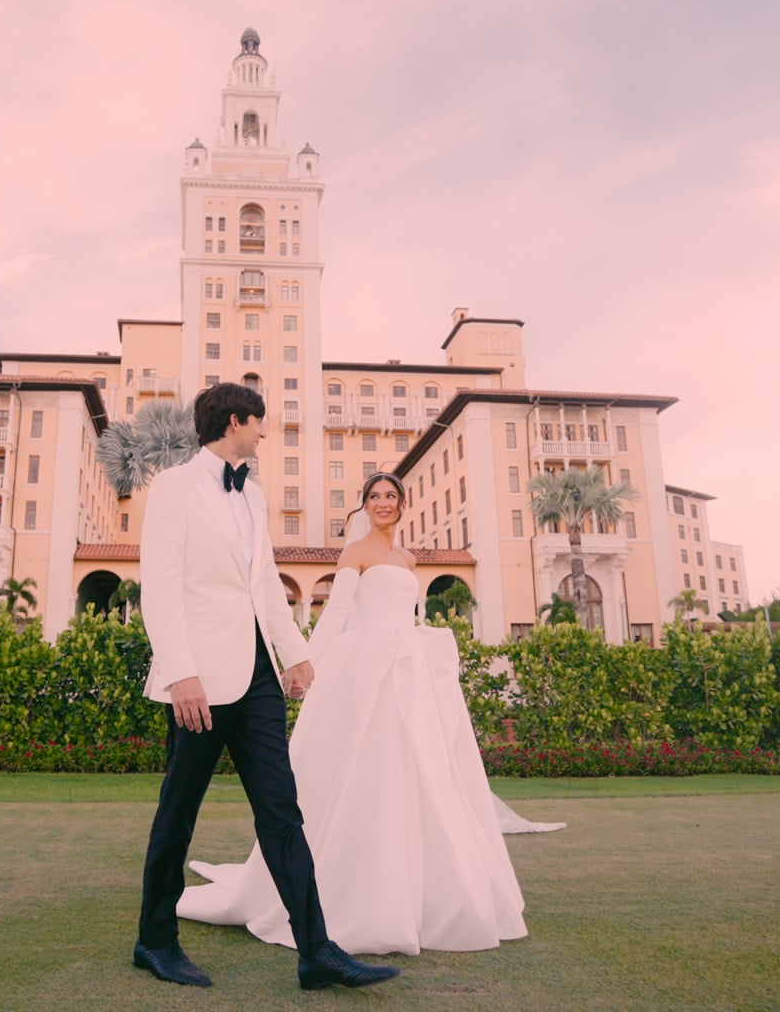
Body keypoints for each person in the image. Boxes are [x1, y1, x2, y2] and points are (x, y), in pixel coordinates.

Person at [177, 472, 534, 955]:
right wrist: (304, 665)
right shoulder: (356, 553)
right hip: (368, 674)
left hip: (409, 678)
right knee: (367, 775)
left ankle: (423, 892)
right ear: (364, 506)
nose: (382, 503)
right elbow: (337, 615)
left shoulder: (409, 560)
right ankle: (353, 893)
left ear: (403, 504)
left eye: (390, 496)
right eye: (374, 497)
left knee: (421, 778)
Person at [134, 384, 400, 991]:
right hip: (197, 681)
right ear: (235, 421)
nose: (263, 433)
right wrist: (181, 673)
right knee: (178, 814)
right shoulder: (175, 487)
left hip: (257, 680)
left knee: (283, 812)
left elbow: (262, 587)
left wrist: (296, 655)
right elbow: (162, 588)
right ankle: (154, 942)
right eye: (259, 423)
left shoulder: (251, 494)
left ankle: (316, 951)